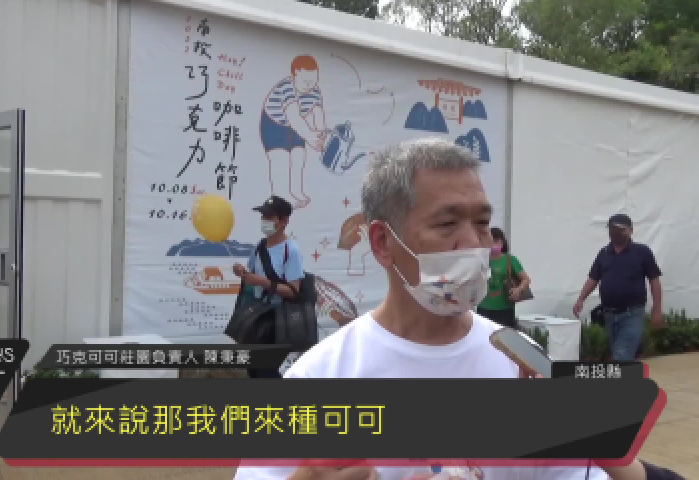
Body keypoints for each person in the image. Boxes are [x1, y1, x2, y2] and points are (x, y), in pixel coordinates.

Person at [233, 139, 606, 480]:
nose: (473, 243)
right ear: (382, 243)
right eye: (447, 224)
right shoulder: (322, 378)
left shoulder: (523, 363)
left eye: (482, 224)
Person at [232, 195, 305, 379]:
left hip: (276, 323)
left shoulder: (291, 250)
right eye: (263, 216)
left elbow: (293, 291)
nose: (264, 220)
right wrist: (241, 272)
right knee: (254, 372)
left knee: (268, 373)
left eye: (269, 216)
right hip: (256, 320)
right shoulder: (259, 247)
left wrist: (262, 282)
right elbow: (252, 273)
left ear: (283, 221)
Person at [572, 214, 662, 361]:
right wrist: (581, 299)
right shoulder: (604, 253)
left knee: (621, 356)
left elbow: (654, 280)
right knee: (619, 354)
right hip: (609, 314)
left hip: (632, 313)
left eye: (620, 229)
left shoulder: (642, 252)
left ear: (630, 231)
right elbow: (593, 278)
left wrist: (657, 309)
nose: (615, 233)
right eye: (612, 229)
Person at [260, 55, 328, 209]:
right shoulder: (287, 87)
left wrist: (321, 135)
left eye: (313, 80)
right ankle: (280, 196)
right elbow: (294, 117)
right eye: (306, 82)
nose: (309, 85)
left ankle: (296, 191)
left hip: (295, 126)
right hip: (274, 123)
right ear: (294, 75)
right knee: (280, 158)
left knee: (299, 156)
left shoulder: (314, 90)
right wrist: (311, 138)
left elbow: (318, 113)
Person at [477, 226, 531, 329]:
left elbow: (526, 279)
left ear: (502, 243)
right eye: (491, 241)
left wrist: (518, 289)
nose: (493, 244)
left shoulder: (510, 260)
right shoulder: (481, 259)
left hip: (504, 308)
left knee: (503, 335)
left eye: (496, 241)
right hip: (483, 307)